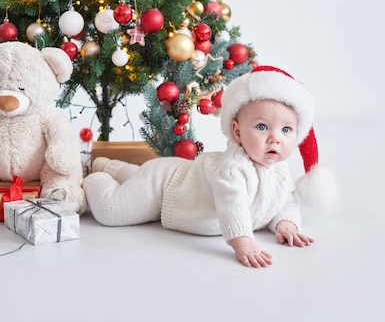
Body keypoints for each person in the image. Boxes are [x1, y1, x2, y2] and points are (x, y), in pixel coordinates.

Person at [82, 65, 338, 267]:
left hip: (177, 174)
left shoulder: (280, 170)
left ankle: (108, 164)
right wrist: (243, 243)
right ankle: (91, 174)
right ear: (237, 132)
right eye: (262, 127)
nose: (275, 138)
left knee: (136, 175)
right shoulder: (232, 168)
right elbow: (232, 206)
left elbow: (284, 202)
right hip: (165, 189)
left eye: (286, 129)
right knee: (111, 211)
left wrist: (285, 224)